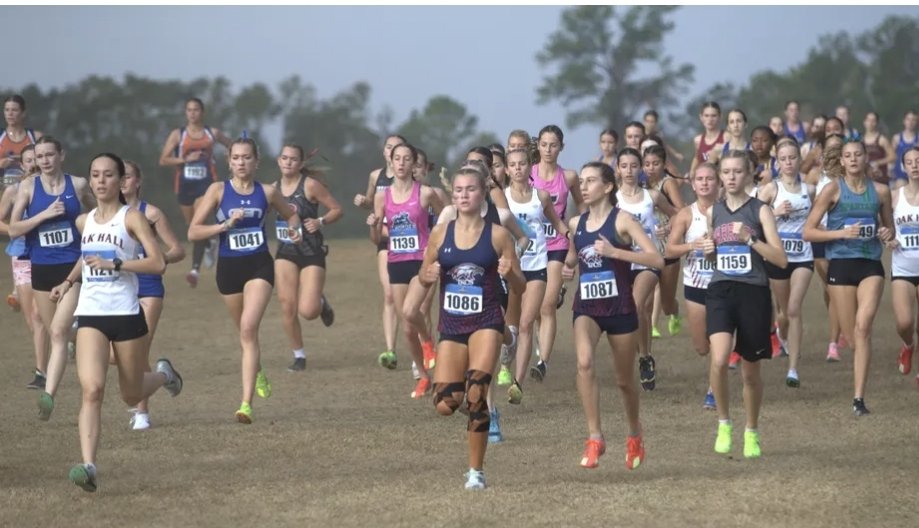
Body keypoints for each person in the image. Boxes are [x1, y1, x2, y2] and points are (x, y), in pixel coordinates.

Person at [53, 152, 183, 492]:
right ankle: (89, 465)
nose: (100, 181)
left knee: (130, 394)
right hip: (91, 314)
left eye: (108, 175)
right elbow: (86, 257)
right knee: (92, 389)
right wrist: (67, 282)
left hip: (126, 314)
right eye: (95, 174)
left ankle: (164, 375)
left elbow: (158, 264)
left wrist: (119, 266)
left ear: (120, 179)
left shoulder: (133, 218)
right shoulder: (84, 221)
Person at [420, 165, 524, 490]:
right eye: (459, 191)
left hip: (485, 320)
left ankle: (476, 472)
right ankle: (509, 339)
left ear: (483, 195)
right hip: (451, 324)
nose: (464, 195)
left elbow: (519, 286)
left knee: (477, 393)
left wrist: (510, 273)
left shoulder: (498, 235)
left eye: (471, 190)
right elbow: (425, 272)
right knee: (445, 406)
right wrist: (426, 276)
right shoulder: (441, 233)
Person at [188, 137, 303, 423]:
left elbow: (292, 216)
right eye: (236, 157)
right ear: (229, 161)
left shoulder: (267, 192)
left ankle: (245, 404)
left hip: (259, 266)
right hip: (228, 269)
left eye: (247, 157)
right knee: (244, 333)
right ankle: (258, 369)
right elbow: (193, 232)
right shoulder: (217, 190)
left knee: (249, 329)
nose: (241, 162)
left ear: (256, 161)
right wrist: (224, 225)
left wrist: (295, 231)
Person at [561, 161, 660, 470]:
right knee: (585, 362)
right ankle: (595, 438)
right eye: (583, 181)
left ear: (607, 187)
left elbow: (656, 258)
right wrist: (568, 265)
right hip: (587, 307)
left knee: (624, 381)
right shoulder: (576, 223)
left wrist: (617, 252)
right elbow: (576, 255)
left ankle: (634, 434)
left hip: (620, 307)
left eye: (591, 181)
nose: (584, 186)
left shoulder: (624, 221)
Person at [706, 149, 787, 458]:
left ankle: (751, 430)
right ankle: (724, 423)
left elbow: (780, 258)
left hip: (753, 291)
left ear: (750, 174)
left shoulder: (761, 210)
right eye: (725, 172)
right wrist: (707, 249)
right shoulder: (715, 211)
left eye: (737, 171)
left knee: (751, 373)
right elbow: (714, 253)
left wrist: (751, 240)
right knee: (719, 358)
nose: (730, 177)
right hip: (720, 289)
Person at [803, 140, 894, 416]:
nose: (853, 159)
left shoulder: (880, 191)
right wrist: (840, 234)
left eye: (858, 154)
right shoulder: (832, 190)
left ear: (866, 158)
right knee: (853, 338)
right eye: (848, 156)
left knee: (863, 327)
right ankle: (858, 373)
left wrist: (888, 235)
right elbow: (808, 231)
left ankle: (858, 399)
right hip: (841, 266)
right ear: (841, 161)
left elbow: (888, 228)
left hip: (870, 265)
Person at [8, 136, 94, 420]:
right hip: (41, 269)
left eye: (49, 155)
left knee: (57, 331)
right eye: (40, 156)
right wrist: (43, 215)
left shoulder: (78, 184)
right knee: (56, 331)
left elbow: (100, 213)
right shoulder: (28, 187)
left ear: (61, 155)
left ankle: (48, 396)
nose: (44, 160)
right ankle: (90, 341)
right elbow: (13, 229)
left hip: (73, 268)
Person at [367, 143, 442, 398]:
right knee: (406, 326)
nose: (400, 163)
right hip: (396, 261)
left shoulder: (426, 193)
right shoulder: (382, 196)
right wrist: (374, 225)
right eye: (396, 158)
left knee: (412, 311)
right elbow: (376, 236)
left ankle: (428, 340)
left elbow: (447, 219)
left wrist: (439, 247)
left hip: (421, 261)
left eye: (406, 159)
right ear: (391, 161)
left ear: (414, 164)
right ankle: (423, 376)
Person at [120, 160, 187, 430]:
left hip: (148, 286)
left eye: (127, 176)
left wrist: (159, 258)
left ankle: (141, 414)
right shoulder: (103, 214)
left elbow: (178, 249)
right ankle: (164, 375)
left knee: (138, 350)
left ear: (138, 181)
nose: (122, 181)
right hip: (118, 287)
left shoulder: (152, 213)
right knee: (119, 354)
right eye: (118, 176)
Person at [504, 148, 567, 401]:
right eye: (513, 165)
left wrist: (575, 240)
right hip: (509, 269)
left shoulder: (540, 196)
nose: (518, 168)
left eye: (522, 164)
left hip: (537, 266)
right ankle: (506, 354)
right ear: (507, 169)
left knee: (526, 323)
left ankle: (517, 384)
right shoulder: (502, 199)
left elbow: (558, 223)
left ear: (530, 167)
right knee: (510, 327)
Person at [273, 144, 341, 372]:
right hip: (286, 251)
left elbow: (336, 209)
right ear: (278, 161)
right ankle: (299, 355)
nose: (288, 162)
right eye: (284, 158)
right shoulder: (272, 189)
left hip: (312, 251)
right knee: (286, 305)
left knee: (308, 311)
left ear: (301, 164)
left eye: (293, 159)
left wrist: (320, 221)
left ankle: (320, 303)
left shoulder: (310, 185)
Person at [616, 148, 678, 391]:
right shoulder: (612, 199)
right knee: (629, 310)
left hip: (647, 260)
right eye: (624, 166)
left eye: (634, 166)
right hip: (621, 261)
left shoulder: (652, 196)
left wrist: (668, 228)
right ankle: (644, 356)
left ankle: (643, 359)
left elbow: (678, 215)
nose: (629, 171)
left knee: (636, 303)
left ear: (640, 167)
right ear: (618, 169)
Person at [755, 138, 815, 387]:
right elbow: (751, 221)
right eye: (783, 159)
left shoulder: (810, 189)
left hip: (803, 256)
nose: (788, 163)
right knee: (782, 313)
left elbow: (820, 217)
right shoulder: (770, 189)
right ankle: (781, 332)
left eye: (792, 158)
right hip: (777, 257)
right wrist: (774, 213)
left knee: (793, 308)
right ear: (777, 162)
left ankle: (793, 370)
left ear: (799, 160)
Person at [528, 125, 584, 383]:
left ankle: (543, 362)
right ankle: (540, 340)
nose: (548, 150)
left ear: (561, 147)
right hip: (531, 246)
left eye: (553, 145)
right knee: (534, 306)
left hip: (557, 244)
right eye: (544, 144)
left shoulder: (569, 177)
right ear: (537, 145)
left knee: (547, 304)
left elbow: (582, 206)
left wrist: (579, 227)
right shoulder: (527, 174)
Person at [158, 98, 232, 287]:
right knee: (192, 227)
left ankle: (194, 270)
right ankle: (210, 243)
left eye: (196, 109)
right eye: (189, 110)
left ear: (202, 112)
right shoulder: (178, 135)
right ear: (186, 113)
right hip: (184, 185)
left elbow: (232, 145)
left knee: (199, 222)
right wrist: (184, 160)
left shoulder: (212, 133)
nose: (192, 113)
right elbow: (164, 160)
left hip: (206, 184)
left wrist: (231, 156)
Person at [665, 162, 720, 408]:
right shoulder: (686, 214)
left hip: (723, 284)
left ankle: (714, 389)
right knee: (701, 347)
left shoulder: (727, 211)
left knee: (720, 342)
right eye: (700, 179)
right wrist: (693, 246)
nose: (705, 183)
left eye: (710, 178)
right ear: (693, 183)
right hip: (696, 284)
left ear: (718, 182)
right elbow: (669, 249)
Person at [354, 134, 406, 369]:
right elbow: (371, 202)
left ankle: (422, 344)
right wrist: (362, 202)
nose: (392, 151)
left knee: (409, 301)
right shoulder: (376, 176)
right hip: (385, 240)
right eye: (388, 147)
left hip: (408, 239)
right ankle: (390, 350)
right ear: (385, 153)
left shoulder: (410, 177)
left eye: (397, 148)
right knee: (388, 294)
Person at [0, 144, 48, 389]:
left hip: (53, 257)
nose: (33, 163)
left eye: (37, 158)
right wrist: (18, 230)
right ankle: (42, 373)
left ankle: (68, 337)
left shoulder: (54, 188)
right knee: (34, 319)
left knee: (54, 317)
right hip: (22, 256)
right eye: (28, 160)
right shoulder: (14, 190)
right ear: (22, 164)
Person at [1, 94, 43, 311]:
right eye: (7, 109)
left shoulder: (34, 137)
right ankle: (19, 288)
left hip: (35, 193)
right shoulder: (0, 138)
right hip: (9, 193)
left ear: (23, 113)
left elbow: (50, 158)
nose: (10, 113)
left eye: (14, 109)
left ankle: (21, 289)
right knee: (16, 234)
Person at [643, 145, 685, 339]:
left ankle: (674, 313)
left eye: (656, 163)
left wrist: (669, 227)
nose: (651, 168)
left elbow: (682, 212)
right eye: (647, 164)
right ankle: (645, 332)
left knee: (667, 304)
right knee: (646, 298)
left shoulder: (667, 184)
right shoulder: (639, 184)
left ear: (663, 164)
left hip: (667, 246)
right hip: (646, 249)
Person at [890, 146, 919, 383]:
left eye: (918, 160)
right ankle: (908, 344)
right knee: (904, 322)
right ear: (904, 166)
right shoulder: (895, 196)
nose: (915, 165)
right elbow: (885, 223)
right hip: (902, 268)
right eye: (910, 162)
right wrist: (887, 236)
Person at [690, 102, 725, 176]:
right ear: (701, 117)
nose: (710, 119)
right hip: (705, 183)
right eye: (706, 116)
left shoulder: (727, 137)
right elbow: (697, 157)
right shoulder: (698, 140)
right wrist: (692, 172)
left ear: (720, 117)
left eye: (714, 116)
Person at [862, 111, 895, 185]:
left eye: (873, 121)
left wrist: (878, 162)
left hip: (880, 178)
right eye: (868, 120)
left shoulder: (882, 139)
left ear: (876, 123)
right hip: (865, 178)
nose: (870, 123)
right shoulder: (860, 140)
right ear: (864, 122)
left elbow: (893, 156)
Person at [890, 110, 918, 190]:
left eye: (913, 120)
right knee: (900, 187)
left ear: (917, 122)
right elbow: (891, 157)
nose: (910, 122)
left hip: (916, 173)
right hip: (900, 175)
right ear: (904, 121)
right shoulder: (897, 138)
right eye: (908, 119)